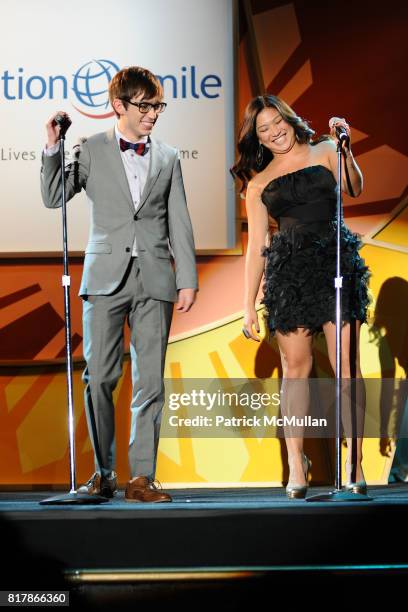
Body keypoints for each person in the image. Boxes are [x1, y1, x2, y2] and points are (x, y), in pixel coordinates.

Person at [41, 66, 198, 503]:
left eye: (157, 106)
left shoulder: (168, 156)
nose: (153, 114)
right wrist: (53, 146)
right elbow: (55, 196)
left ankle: (142, 478)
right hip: (105, 277)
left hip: (155, 280)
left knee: (150, 382)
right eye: (146, 106)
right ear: (119, 106)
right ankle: (103, 472)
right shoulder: (90, 149)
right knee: (101, 377)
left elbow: (179, 221)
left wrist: (187, 279)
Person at [232, 94, 370, 499]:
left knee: (346, 365)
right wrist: (246, 304)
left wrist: (346, 146)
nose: (275, 132)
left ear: (290, 120)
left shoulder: (326, 150)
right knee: (296, 369)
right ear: (256, 139)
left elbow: (354, 188)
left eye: (278, 122)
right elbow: (257, 245)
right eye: (264, 129)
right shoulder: (258, 184)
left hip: (336, 264)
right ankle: (297, 461)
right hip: (288, 273)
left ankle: (354, 463)